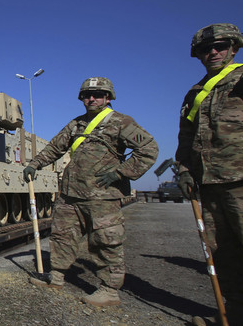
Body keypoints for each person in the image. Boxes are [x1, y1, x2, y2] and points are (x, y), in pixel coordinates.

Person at [23, 77, 158, 306]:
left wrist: (121, 173)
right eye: (87, 95)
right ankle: (56, 276)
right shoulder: (76, 124)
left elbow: (148, 149)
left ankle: (109, 290)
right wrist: (35, 164)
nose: (91, 99)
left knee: (105, 242)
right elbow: (56, 147)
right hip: (70, 195)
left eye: (97, 94)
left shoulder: (121, 122)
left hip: (102, 197)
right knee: (61, 236)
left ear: (108, 97)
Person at [175, 23, 243, 326]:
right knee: (225, 257)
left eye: (221, 46)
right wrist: (183, 169)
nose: (214, 52)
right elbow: (186, 138)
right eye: (206, 49)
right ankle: (236, 317)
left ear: (234, 48)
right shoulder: (195, 93)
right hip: (210, 186)